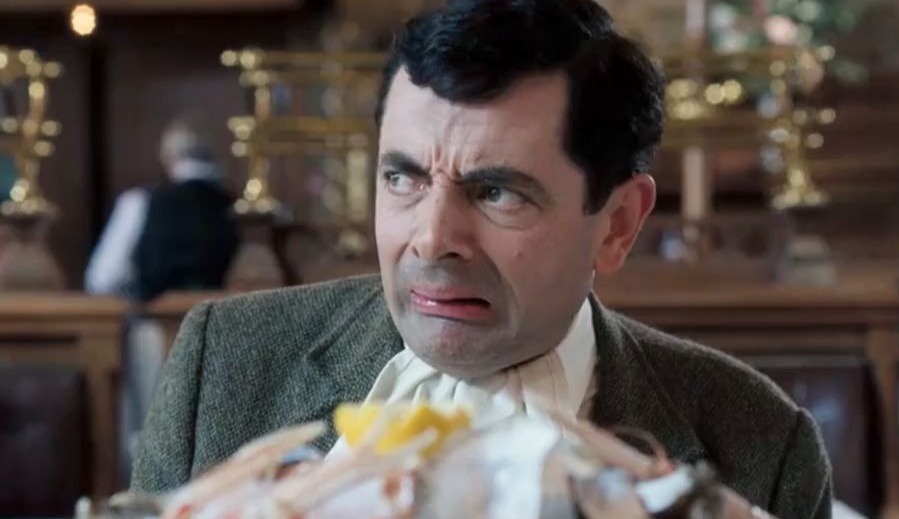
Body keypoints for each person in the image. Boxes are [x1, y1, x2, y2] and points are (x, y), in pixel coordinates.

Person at [132, 1, 832, 517]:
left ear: (617, 223)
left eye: (497, 192)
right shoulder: (221, 364)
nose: (432, 239)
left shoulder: (762, 446)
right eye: (402, 178)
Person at [84, 115, 240, 302]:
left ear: (168, 155)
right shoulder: (238, 207)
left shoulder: (140, 201)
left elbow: (102, 280)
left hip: (155, 316)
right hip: (218, 315)